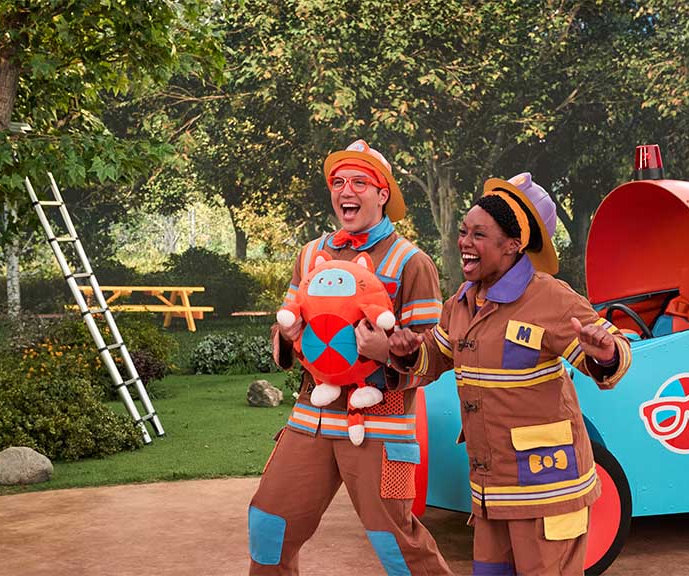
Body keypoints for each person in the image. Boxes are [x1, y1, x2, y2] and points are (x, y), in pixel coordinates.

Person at [388, 173, 632, 576]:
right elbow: (436, 355)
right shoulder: (461, 303)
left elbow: (613, 350)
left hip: (547, 492)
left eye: (479, 235)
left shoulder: (550, 297)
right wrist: (409, 351)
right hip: (492, 494)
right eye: (463, 232)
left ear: (513, 245)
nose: (465, 242)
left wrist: (605, 353)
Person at [248, 139, 454, 575]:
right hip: (312, 417)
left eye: (360, 182)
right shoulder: (309, 255)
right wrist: (288, 336)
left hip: (382, 426)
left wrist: (389, 352)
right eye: (338, 182)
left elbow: (436, 355)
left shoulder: (412, 262)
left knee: (396, 544)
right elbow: (287, 329)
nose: (347, 191)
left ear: (382, 194)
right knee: (268, 526)